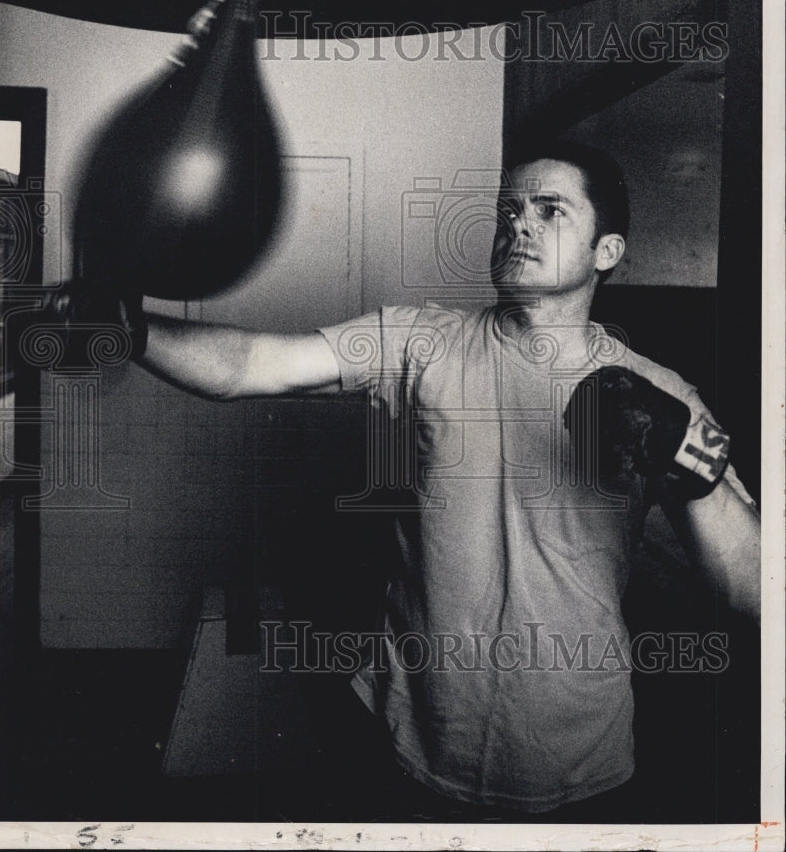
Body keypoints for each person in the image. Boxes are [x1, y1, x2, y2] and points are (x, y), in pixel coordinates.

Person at [48, 140, 760, 817]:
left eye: (550, 210)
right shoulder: (421, 341)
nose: (518, 225)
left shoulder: (659, 394)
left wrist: (689, 464)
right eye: (508, 210)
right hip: (413, 729)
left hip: (574, 751)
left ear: (608, 251)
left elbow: (752, 589)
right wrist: (133, 329)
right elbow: (251, 365)